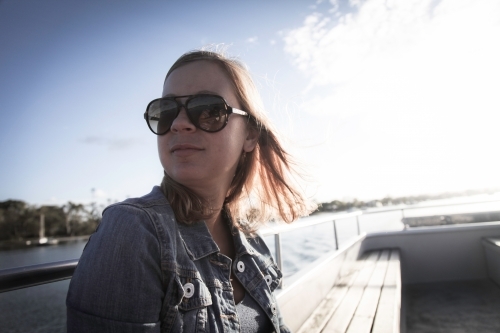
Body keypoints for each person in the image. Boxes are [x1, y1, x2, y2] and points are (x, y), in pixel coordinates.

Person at [66, 49, 312, 332]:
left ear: (250, 135)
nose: (180, 123)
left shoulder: (249, 239)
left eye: (208, 110)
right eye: (166, 111)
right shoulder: (133, 230)